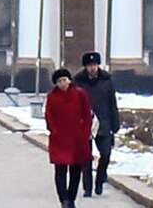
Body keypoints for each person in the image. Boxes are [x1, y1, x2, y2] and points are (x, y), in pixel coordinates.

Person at [43, 68, 95, 208]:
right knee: (60, 170)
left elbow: (87, 114)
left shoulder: (80, 94)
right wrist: (53, 130)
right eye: (59, 81)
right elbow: (49, 115)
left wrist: (85, 132)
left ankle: (71, 199)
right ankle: (63, 199)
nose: (62, 83)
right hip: (59, 139)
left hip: (77, 139)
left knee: (75, 170)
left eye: (64, 80)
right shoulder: (52, 97)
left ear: (70, 80)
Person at [74, 51, 120, 197]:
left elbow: (112, 103)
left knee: (105, 154)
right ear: (85, 67)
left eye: (94, 65)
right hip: (84, 124)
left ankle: (100, 180)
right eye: (89, 65)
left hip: (104, 122)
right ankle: (87, 188)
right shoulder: (78, 81)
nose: (92, 68)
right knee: (85, 158)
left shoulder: (107, 80)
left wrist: (115, 123)